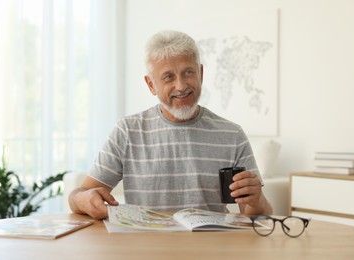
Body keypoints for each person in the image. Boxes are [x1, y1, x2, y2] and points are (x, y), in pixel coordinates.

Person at [68, 30, 273, 219]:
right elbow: (77, 195)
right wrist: (83, 199)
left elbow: (256, 215)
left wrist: (258, 201)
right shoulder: (128, 131)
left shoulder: (232, 134)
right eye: (168, 77)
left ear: (200, 74)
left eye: (188, 73)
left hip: (210, 248)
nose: (181, 86)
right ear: (151, 85)